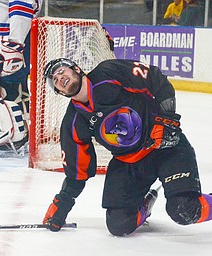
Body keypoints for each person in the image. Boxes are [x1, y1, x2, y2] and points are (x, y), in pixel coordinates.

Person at [42, 58, 212, 236]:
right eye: (55, 80)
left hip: (164, 147)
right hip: (128, 162)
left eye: (61, 72)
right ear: (59, 92)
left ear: (76, 69)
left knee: (184, 209)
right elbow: (78, 171)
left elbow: (156, 79)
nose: (60, 78)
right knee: (119, 225)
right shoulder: (73, 122)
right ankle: (146, 204)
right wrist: (62, 203)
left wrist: (167, 120)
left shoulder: (108, 73)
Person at [0, 0, 43, 155]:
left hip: (14, 40)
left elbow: (22, 5)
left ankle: (16, 134)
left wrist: (14, 44)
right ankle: (23, 128)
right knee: (17, 84)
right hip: (11, 39)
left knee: (5, 83)